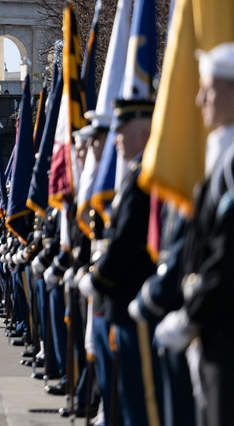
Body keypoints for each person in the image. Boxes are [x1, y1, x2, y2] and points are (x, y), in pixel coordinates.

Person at [155, 43, 234, 426]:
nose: (201, 99)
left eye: (210, 88)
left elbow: (229, 252)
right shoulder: (221, 154)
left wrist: (190, 314)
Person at [79, 97, 157, 426]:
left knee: (139, 399)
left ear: (144, 131)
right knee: (126, 392)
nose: (117, 139)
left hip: (131, 298)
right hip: (121, 297)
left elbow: (127, 241)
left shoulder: (142, 179)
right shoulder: (133, 176)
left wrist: (99, 279)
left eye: (122, 131)